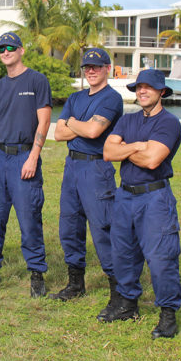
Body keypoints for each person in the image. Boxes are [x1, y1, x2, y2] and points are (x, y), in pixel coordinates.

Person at [98, 69, 181, 339]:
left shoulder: (169, 123)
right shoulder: (127, 119)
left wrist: (127, 148)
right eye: (139, 87)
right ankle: (127, 305)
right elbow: (108, 152)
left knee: (160, 257)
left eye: (149, 87)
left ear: (162, 92)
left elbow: (152, 161)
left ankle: (167, 315)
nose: (142, 91)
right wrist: (138, 146)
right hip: (124, 195)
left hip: (154, 196)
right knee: (123, 253)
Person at [0, 32, 52, 297]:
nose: (5, 52)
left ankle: (36, 273)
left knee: (29, 219)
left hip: (23, 156)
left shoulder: (37, 81)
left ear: (21, 50)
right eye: (1, 48)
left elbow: (44, 121)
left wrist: (33, 157)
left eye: (10, 47)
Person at [50, 48, 123, 318]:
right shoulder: (75, 97)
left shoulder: (111, 98)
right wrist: (78, 125)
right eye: (86, 67)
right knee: (69, 224)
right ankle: (75, 283)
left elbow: (95, 131)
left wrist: (72, 122)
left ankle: (119, 292)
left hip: (96, 167)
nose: (91, 71)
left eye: (96, 66)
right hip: (72, 165)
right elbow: (58, 134)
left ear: (107, 68)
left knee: (103, 228)